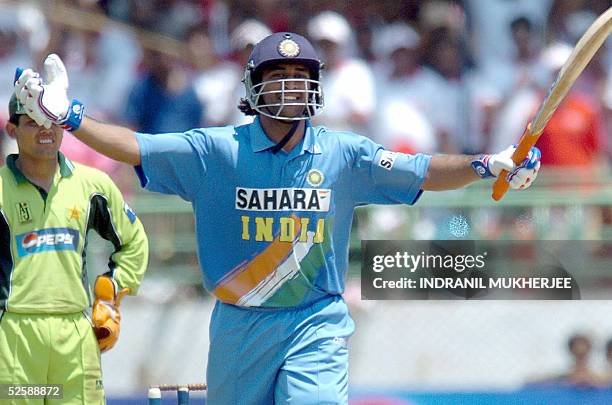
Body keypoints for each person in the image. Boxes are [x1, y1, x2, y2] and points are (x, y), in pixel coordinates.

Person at [15, 33, 540, 404]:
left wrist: (485, 163)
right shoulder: (215, 151)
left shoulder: (344, 154)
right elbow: (136, 146)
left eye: (299, 75)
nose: (290, 85)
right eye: (277, 75)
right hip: (240, 324)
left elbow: (423, 170)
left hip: (315, 320)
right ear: (253, 86)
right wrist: (73, 117)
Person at [0, 92, 149, 403]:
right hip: (13, 335)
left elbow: (133, 240)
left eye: (53, 121)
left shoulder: (92, 184)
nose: (46, 130)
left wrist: (112, 296)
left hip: (75, 333)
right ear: (12, 131)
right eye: (33, 122)